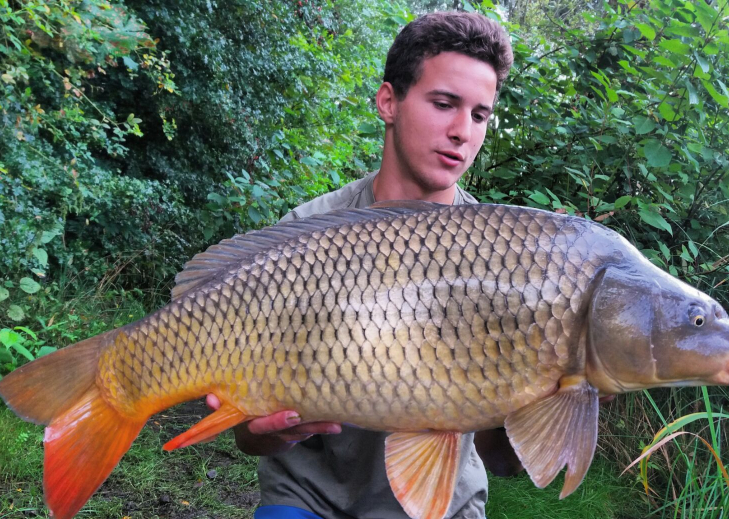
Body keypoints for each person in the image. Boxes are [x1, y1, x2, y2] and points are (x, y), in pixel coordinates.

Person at [207, 11, 517, 519]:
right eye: (444, 104)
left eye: (480, 115)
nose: (463, 131)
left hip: (440, 503)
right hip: (309, 495)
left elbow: (503, 459)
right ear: (388, 102)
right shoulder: (305, 235)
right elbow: (248, 439)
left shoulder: (501, 255)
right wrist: (266, 430)